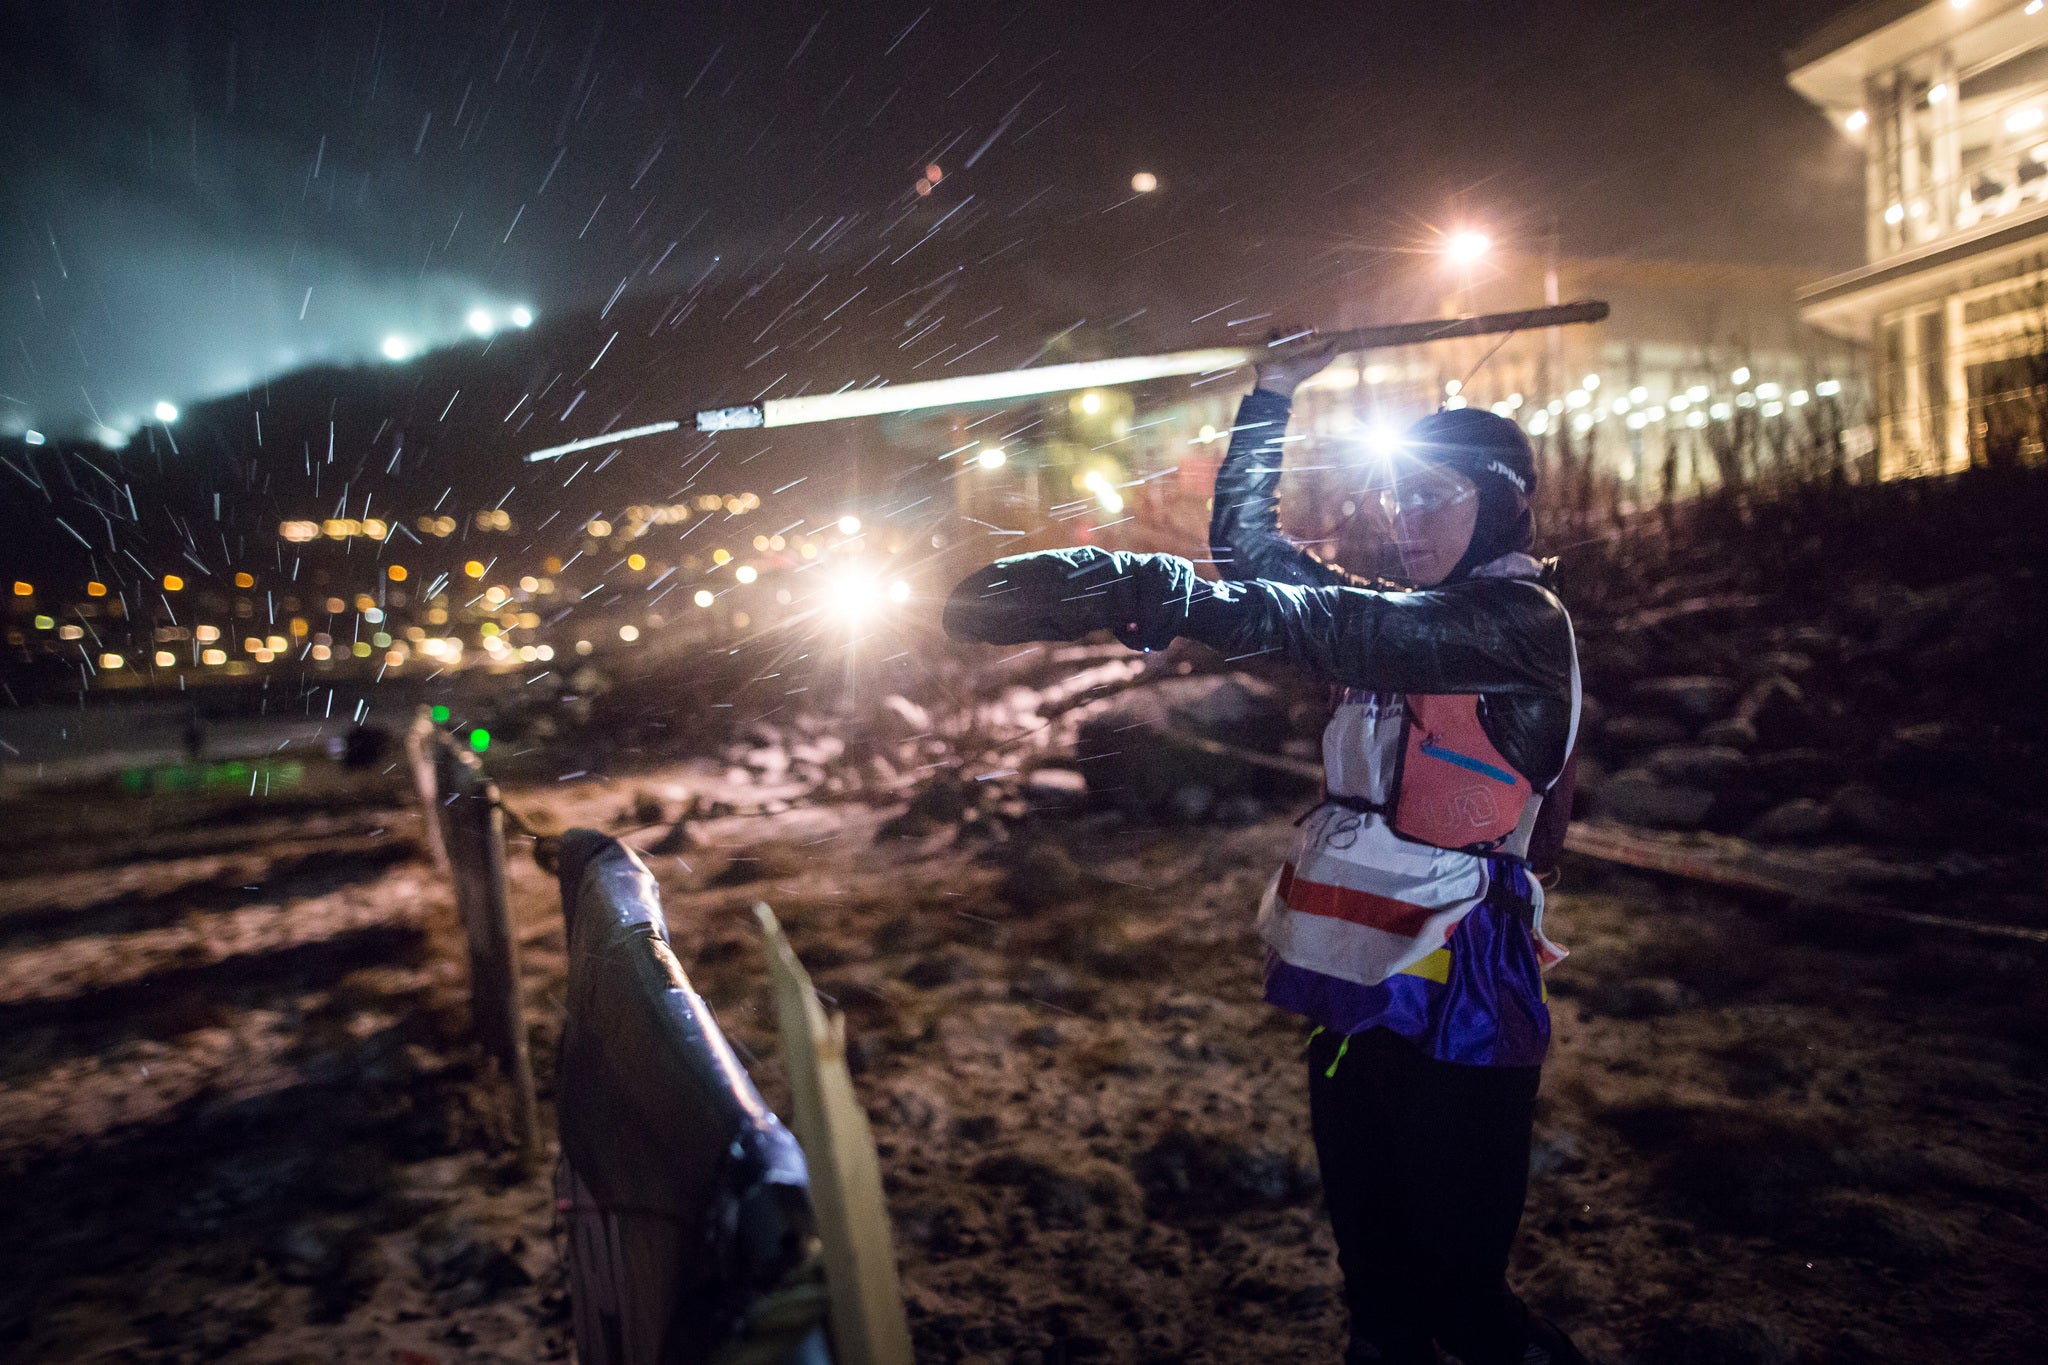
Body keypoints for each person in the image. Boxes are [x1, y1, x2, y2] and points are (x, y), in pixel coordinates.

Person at [942, 343, 1586, 1365]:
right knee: (1374, 1292)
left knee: (1462, 1303)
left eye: (1435, 497)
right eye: (1396, 498)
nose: (1406, 521)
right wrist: (1272, 395)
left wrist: (1149, 590)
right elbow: (1250, 556)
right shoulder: (1401, 618)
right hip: (1349, 978)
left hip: (1457, 991)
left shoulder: (1513, 625)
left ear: (1502, 505)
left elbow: (1320, 620)